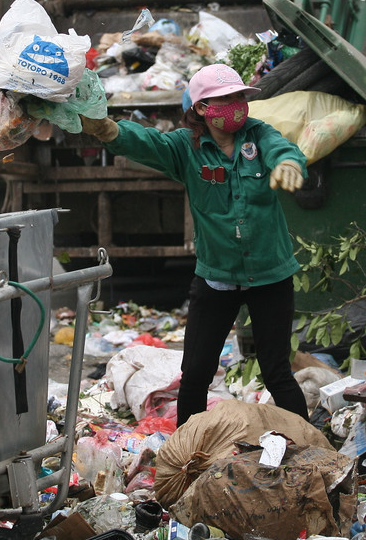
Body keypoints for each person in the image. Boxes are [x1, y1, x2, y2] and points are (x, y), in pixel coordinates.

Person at [80, 63, 309, 426]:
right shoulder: (186, 148)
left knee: (276, 371)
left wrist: (288, 163)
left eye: (239, 97)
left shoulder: (258, 135)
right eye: (225, 99)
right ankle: (188, 449)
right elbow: (147, 142)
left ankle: (308, 444)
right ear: (202, 108)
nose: (236, 105)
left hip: (270, 274)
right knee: (196, 374)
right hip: (217, 277)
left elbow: (282, 148)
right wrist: (109, 130)